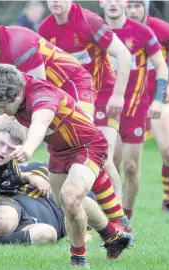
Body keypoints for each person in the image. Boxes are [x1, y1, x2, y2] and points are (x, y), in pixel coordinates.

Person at [0, 64, 133, 268]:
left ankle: (78, 258)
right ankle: (113, 237)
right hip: (59, 151)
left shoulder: (42, 96)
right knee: (64, 202)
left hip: (87, 145)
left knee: (70, 199)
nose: (1, 110)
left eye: (2, 105)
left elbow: (40, 123)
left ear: (15, 94)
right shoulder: (14, 82)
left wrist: (29, 148)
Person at [38, 0, 131, 204]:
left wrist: (118, 95)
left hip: (102, 97)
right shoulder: (45, 29)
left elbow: (124, 54)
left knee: (103, 160)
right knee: (69, 163)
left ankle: (120, 224)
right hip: (71, 102)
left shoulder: (90, 21)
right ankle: (80, 220)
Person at [100, 0, 169, 221]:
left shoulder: (141, 31)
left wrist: (158, 99)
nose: (112, 3)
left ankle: (126, 217)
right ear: (100, 2)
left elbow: (161, 65)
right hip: (105, 107)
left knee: (130, 166)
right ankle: (112, 219)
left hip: (135, 109)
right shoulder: (95, 30)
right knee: (109, 163)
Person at [126, 0, 169, 213]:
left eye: (138, 6)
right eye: (129, 6)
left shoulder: (160, 28)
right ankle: (117, 209)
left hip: (158, 98)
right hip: (127, 102)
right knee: (123, 161)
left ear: (145, 6)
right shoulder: (113, 31)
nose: (133, 11)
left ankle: (167, 201)